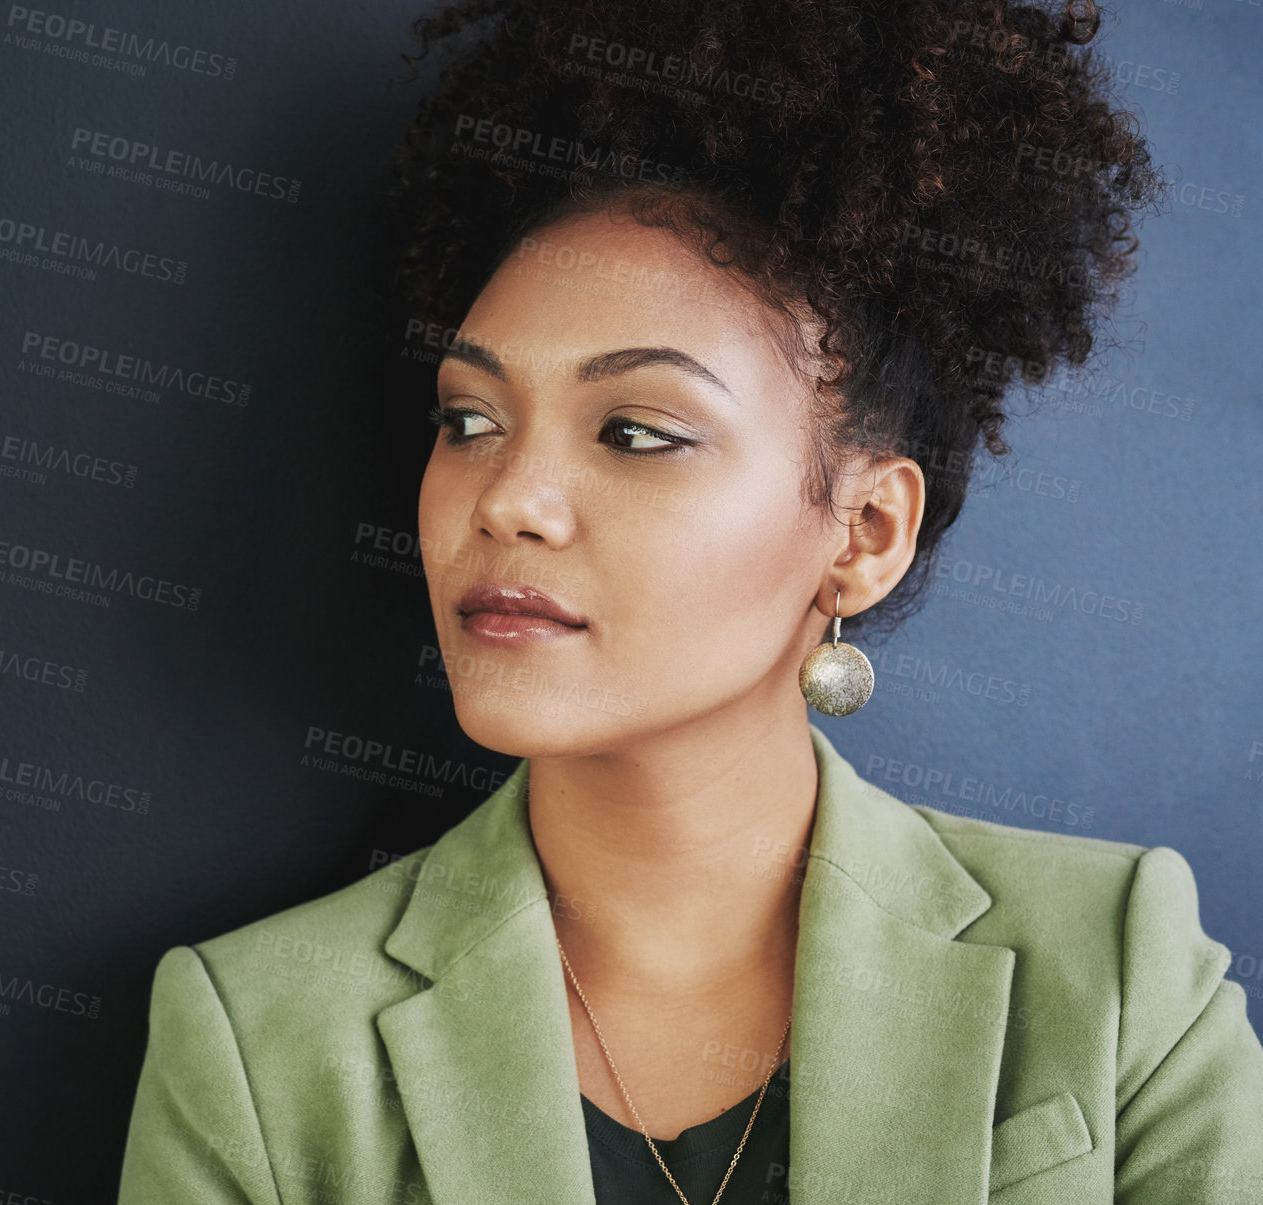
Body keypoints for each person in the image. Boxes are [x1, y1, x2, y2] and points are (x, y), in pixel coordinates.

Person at [117, 0, 1263, 1201]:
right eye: (468, 419)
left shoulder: (1115, 969)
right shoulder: (261, 1037)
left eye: (635, 431)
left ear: (864, 534)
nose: (508, 501)